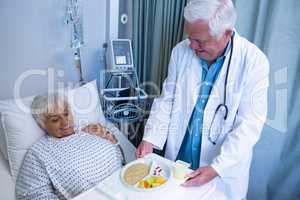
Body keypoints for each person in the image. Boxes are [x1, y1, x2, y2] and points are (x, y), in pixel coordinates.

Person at [136, 0, 269, 199]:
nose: (191, 45)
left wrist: (217, 168)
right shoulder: (181, 51)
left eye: (200, 41)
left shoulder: (253, 62)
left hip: (221, 171)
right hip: (180, 163)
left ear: (227, 33)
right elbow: (167, 100)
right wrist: (150, 139)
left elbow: (249, 126)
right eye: (189, 37)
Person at [15, 93, 125, 200]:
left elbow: (119, 155)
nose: (65, 122)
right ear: (42, 124)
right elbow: (31, 194)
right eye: (55, 120)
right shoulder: (39, 152)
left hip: (126, 185)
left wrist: (111, 138)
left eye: (66, 114)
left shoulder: (88, 129)